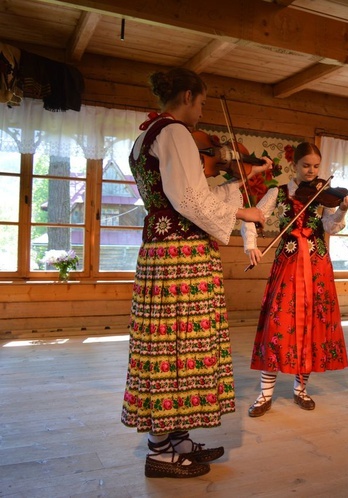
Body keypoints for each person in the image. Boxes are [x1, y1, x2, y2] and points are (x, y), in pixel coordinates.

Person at [121, 68, 272, 478]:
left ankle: (176, 439)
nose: (203, 111)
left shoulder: (146, 136)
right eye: (202, 102)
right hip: (179, 258)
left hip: (164, 252)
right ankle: (160, 450)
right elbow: (189, 200)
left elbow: (195, 198)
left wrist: (245, 182)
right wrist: (244, 211)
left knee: (176, 347)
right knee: (177, 346)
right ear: (187, 95)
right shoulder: (174, 133)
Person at [242, 142, 348, 417]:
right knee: (278, 324)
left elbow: (329, 227)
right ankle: (265, 393)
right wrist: (251, 246)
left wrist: (342, 209)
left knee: (311, 325)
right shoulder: (277, 193)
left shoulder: (322, 195)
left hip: (317, 266)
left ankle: (300, 389)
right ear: (294, 166)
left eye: (316, 166)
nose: (312, 171)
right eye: (306, 166)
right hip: (289, 263)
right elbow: (252, 219)